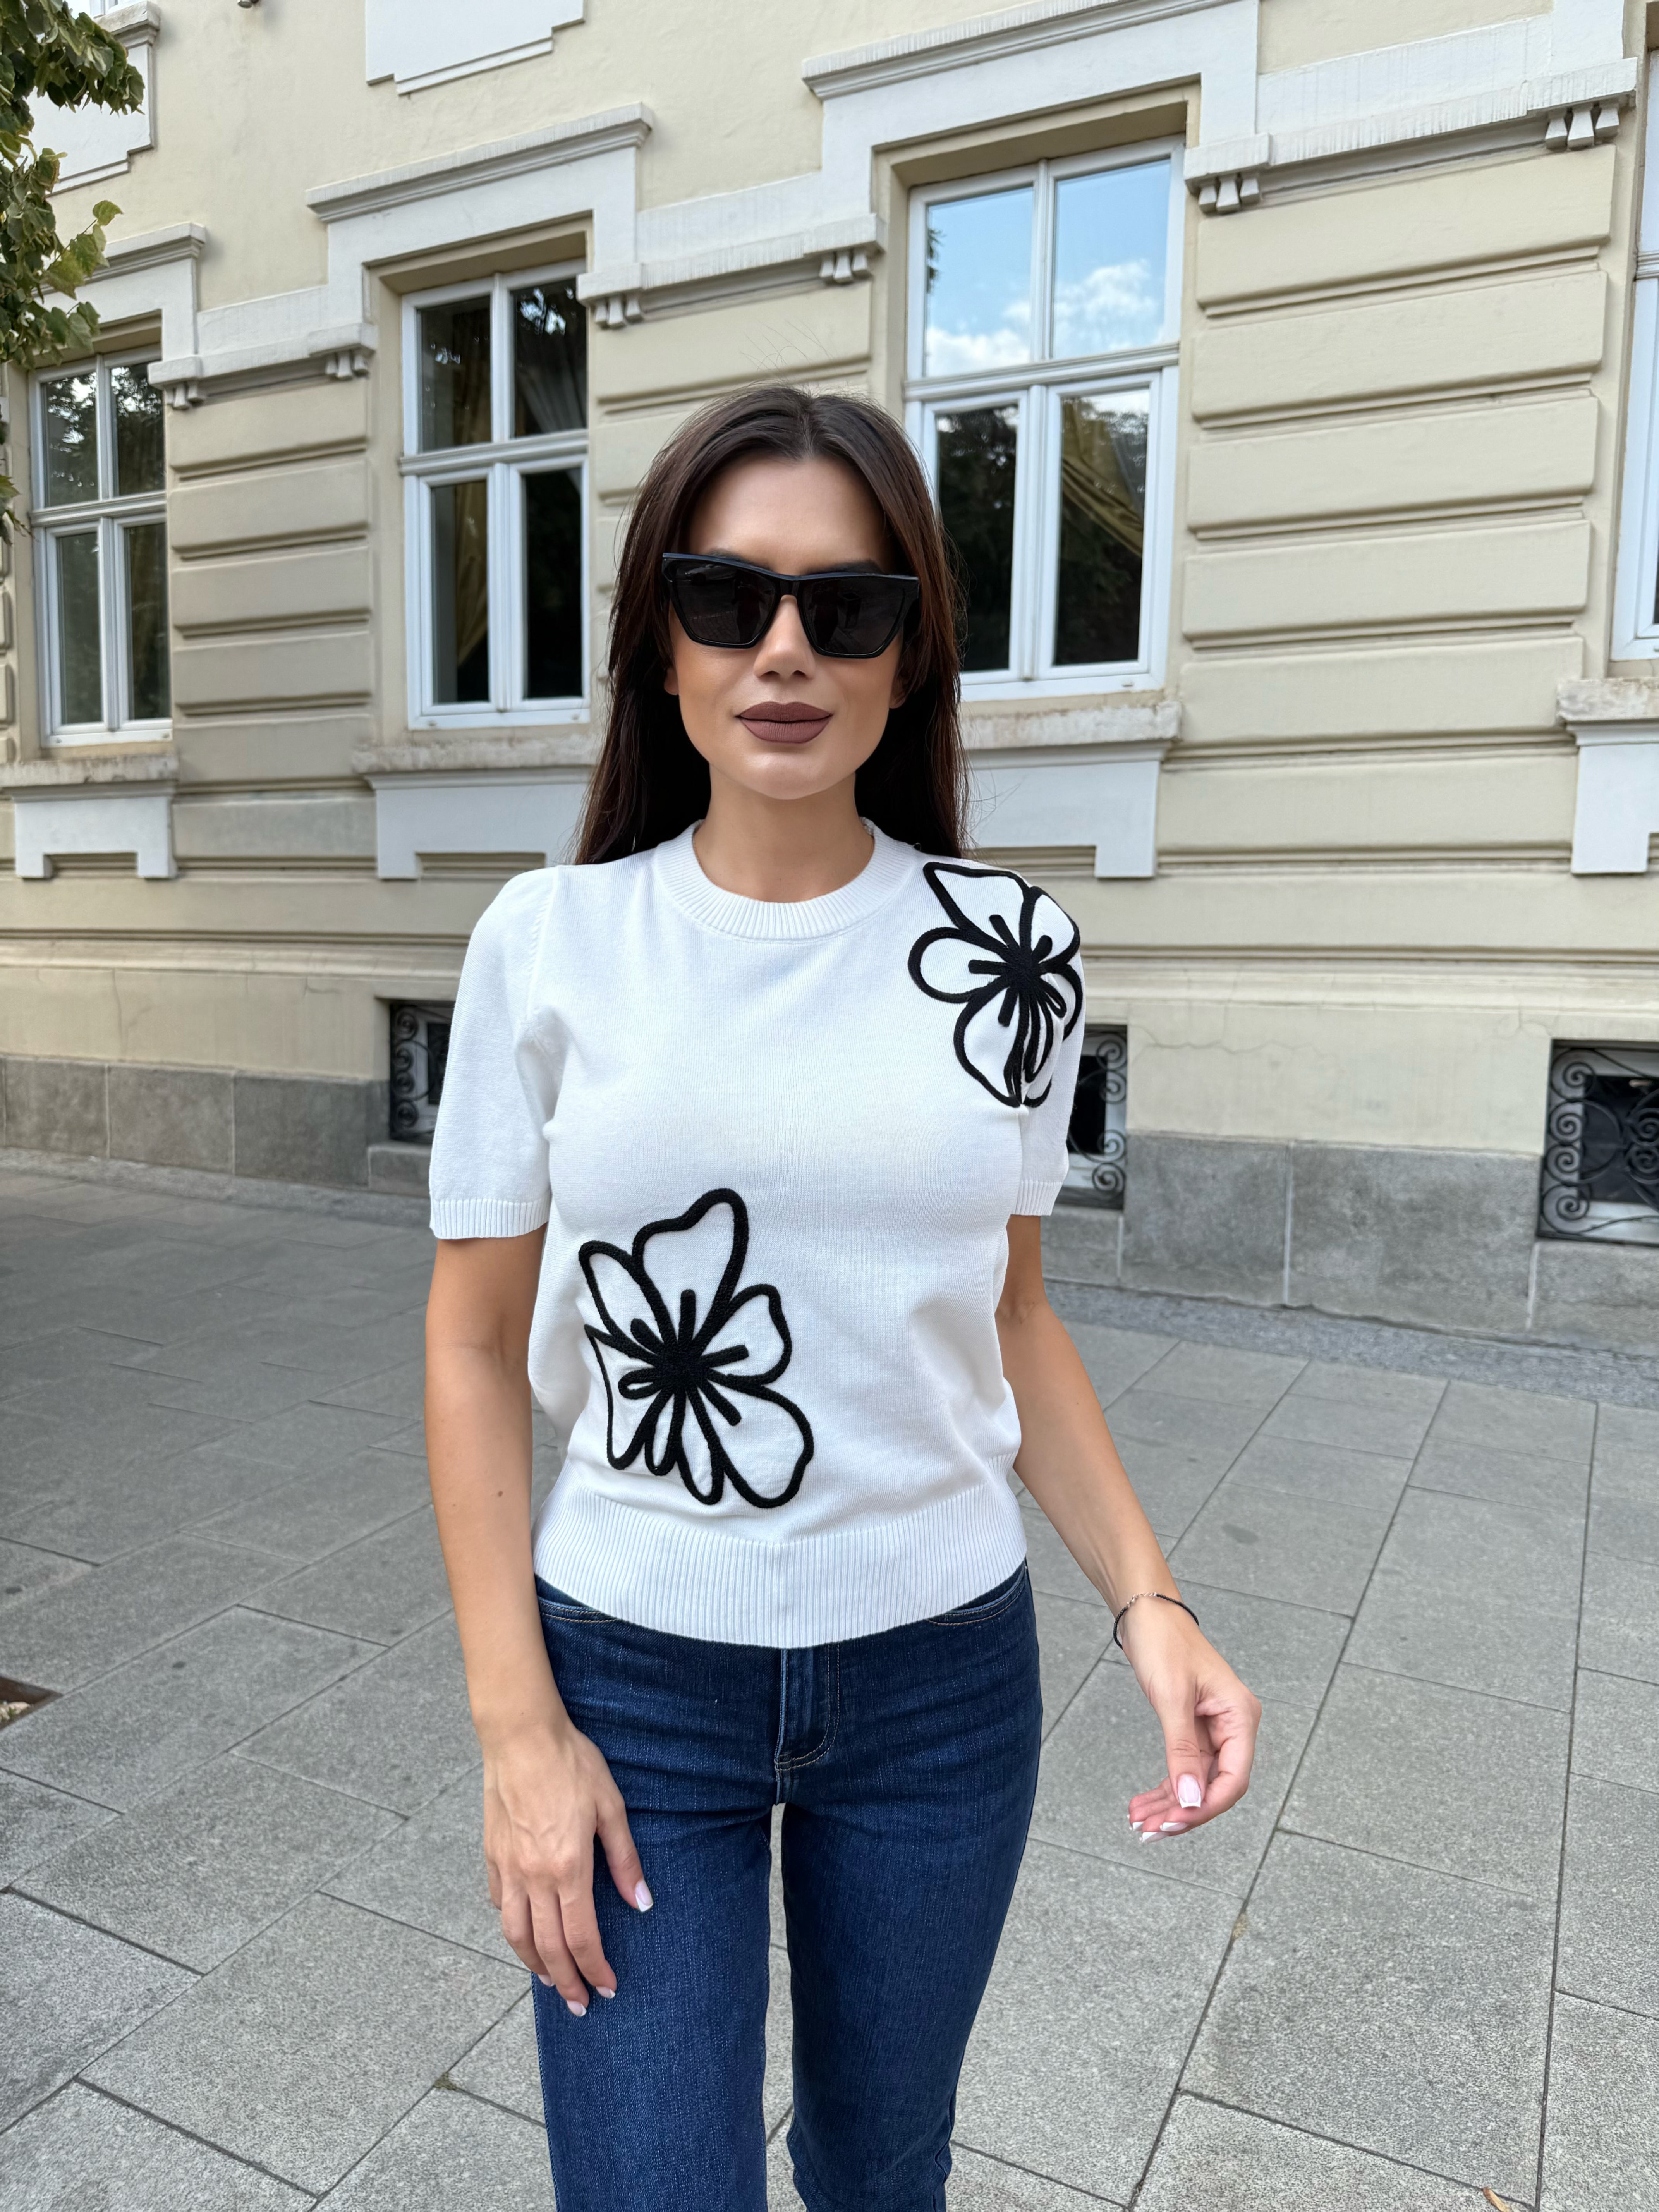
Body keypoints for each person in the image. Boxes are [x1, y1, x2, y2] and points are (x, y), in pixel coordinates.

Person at [423, 383, 1261, 2212]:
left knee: (885, 2167)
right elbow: (473, 1343)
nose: (785, 649)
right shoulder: (548, 946)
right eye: (729, 599)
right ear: (661, 641)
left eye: (848, 606)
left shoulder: (1011, 954)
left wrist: (1152, 1603)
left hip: (942, 1681)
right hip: (632, 1675)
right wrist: (515, 1730)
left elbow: (1012, 1317)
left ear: (910, 653)